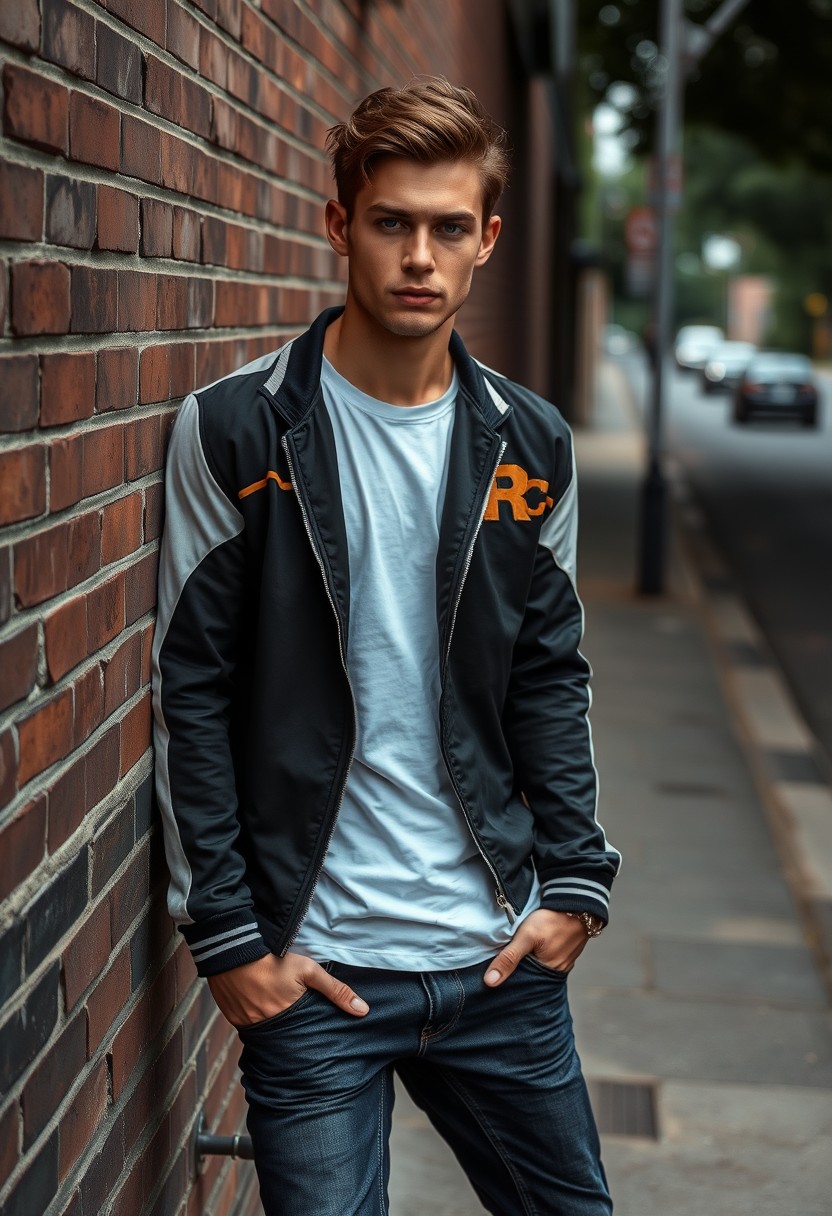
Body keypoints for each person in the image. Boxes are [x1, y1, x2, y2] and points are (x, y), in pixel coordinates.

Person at [152, 76, 620, 1216]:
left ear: (486, 241)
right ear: (339, 224)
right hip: (314, 976)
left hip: (497, 961)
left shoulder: (531, 447)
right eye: (390, 222)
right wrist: (226, 936)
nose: (418, 255)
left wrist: (574, 883)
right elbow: (191, 688)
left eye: (447, 227)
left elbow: (548, 674)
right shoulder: (239, 430)